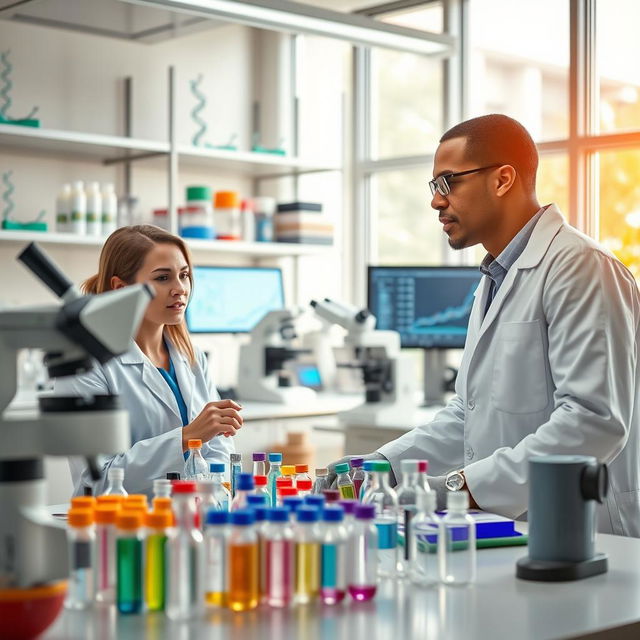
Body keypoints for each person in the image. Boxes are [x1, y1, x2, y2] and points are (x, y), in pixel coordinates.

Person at [330, 114, 640, 537]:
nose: (436, 202)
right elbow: (466, 415)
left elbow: (592, 421)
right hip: (514, 530)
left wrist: (462, 488)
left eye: (448, 182)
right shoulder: (496, 278)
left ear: (503, 179)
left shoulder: (582, 268)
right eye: (434, 187)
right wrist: (377, 467)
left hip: (587, 531)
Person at [54, 225, 242, 497]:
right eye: (163, 278)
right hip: (123, 526)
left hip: (195, 516)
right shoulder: (86, 363)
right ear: (121, 287)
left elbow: (219, 452)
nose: (180, 289)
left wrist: (210, 494)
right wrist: (186, 438)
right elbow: (96, 483)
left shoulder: (191, 356)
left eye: (184, 275)